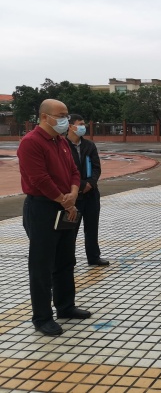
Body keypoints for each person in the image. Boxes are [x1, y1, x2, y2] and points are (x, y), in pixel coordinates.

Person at [17, 99, 91, 336]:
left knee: (65, 260)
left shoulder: (61, 141)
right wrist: (63, 199)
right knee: (42, 265)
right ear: (44, 117)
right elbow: (39, 178)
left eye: (67, 115)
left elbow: (74, 171)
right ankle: (42, 317)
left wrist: (73, 193)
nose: (65, 120)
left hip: (66, 205)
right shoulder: (31, 142)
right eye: (61, 115)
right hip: (42, 208)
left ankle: (65, 306)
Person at [66, 114, 109, 266]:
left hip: (91, 193)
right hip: (74, 194)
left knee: (92, 227)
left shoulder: (89, 145)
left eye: (84, 124)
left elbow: (96, 167)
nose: (83, 127)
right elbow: (65, 171)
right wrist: (80, 185)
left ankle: (94, 257)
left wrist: (90, 183)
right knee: (71, 229)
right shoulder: (63, 146)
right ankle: (68, 259)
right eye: (80, 124)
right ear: (70, 126)